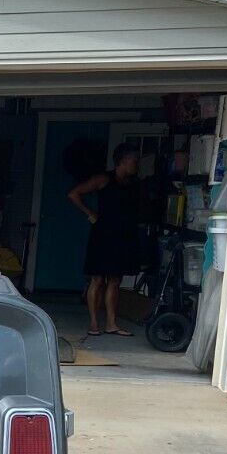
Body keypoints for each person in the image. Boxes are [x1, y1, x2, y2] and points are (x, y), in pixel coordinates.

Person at [69, 144, 145, 337]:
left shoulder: (133, 183)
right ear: (122, 161)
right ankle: (94, 323)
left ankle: (111, 323)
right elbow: (74, 194)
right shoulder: (104, 179)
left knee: (115, 280)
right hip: (103, 233)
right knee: (97, 278)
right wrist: (90, 214)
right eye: (133, 161)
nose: (136, 165)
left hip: (123, 234)